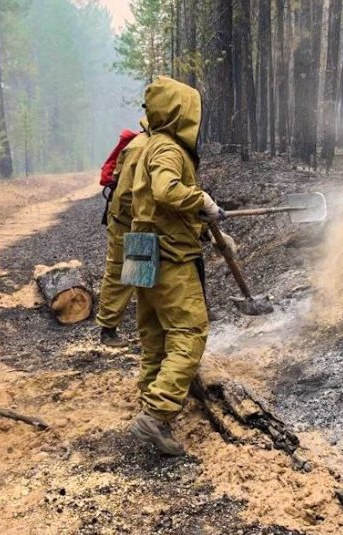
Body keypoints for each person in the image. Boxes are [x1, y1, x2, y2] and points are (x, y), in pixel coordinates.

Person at [127, 76, 235, 456]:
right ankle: (156, 415)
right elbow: (166, 192)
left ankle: (151, 401)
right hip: (168, 254)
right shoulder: (170, 150)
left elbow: (149, 205)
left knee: (155, 336)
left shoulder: (149, 146)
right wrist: (201, 199)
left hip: (140, 248)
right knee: (189, 331)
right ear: (178, 112)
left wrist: (203, 230)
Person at [96, 120, 149, 347]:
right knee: (120, 271)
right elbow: (127, 195)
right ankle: (108, 329)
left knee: (139, 270)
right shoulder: (140, 146)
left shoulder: (150, 143)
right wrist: (144, 218)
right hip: (126, 220)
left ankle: (145, 328)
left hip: (135, 220)